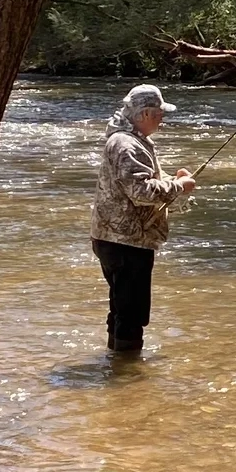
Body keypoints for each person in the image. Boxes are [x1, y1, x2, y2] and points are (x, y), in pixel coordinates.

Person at [90, 84, 196, 353]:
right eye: (160, 115)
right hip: (127, 243)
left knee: (122, 309)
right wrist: (179, 187)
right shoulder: (127, 145)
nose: (162, 120)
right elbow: (140, 192)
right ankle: (126, 377)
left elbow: (136, 185)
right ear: (145, 114)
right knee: (131, 313)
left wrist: (173, 180)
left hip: (115, 239)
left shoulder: (128, 139)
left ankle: (117, 364)